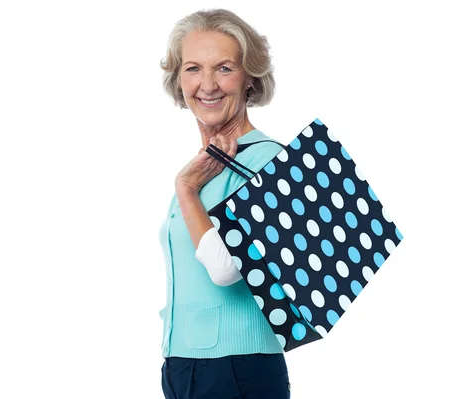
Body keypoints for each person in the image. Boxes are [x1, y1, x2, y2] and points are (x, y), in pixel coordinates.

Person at [158, 8, 291, 399]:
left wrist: (186, 190)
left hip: (237, 367)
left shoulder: (265, 160)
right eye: (194, 68)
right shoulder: (204, 165)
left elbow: (226, 267)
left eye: (225, 68)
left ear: (250, 78)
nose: (208, 84)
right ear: (178, 79)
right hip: (182, 365)